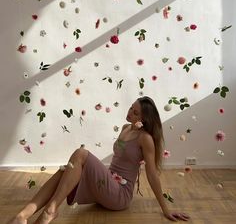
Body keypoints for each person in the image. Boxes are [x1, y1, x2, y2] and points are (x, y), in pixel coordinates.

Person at [8, 96, 190, 223]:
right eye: (131, 108)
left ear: (144, 119)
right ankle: (22, 216)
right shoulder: (126, 128)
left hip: (120, 194)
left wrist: (166, 209)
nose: (130, 113)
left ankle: (51, 210)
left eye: (135, 113)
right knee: (64, 171)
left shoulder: (145, 139)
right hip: (108, 184)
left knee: (81, 154)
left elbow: (151, 175)